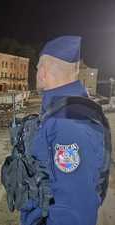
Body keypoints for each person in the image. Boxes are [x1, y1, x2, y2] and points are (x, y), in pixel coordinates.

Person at [18, 36, 111, 225]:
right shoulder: (63, 110)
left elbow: (74, 212)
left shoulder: (69, 121)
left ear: (43, 72)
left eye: (36, 70)